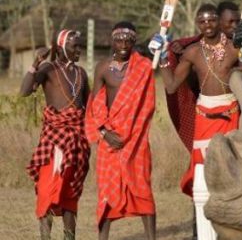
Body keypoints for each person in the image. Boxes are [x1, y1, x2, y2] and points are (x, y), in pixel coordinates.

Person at [149, 3, 242, 196]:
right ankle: (201, 217)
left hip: (231, 112)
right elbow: (171, 86)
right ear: (197, 24)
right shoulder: (193, 52)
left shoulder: (233, 46)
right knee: (203, 166)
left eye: (212, 20)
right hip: (204, 115)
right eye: (202, 21)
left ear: (219, 22)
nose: (208, 25)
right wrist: (162, 56)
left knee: (232, 163)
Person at [86, 22, 156, 240]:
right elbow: (95, 104)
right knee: (107, 190)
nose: (123, 44)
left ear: (134, 42)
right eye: (119, 39)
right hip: (109, 140)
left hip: (136, 140)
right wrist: (105, 133)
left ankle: (151, 237)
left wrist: (162, 51)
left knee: (142, 187)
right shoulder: (103, 67)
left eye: (128, 40)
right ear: (111, 41)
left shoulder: (144, 66)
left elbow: (148, 105)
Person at [20, 29, 90, 240]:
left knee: (70, 194)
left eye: (80, 45)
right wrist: (35, 63)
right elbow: (25, 91)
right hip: (54, 140)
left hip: (77, 140)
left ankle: (69, 238)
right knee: (48, 190)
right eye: (74, 46)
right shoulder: (48, 68)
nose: (79, 49)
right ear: (61, 47)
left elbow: (90, 107)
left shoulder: (81, 73)